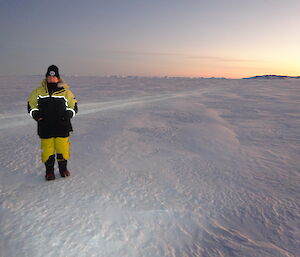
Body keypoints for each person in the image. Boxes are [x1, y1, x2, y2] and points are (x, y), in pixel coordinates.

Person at [27, 65, 78, 180]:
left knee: (63, 149)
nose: (51, 79)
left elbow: (74, 106)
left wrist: (68, 114)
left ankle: (63, 169)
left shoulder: (66, 92)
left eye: (54, 76)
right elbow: (31, 106)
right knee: (47, 150)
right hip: (45, 126)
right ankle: (49, 172)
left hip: (62, 126)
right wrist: (37, 116)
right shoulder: (38, 92)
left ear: (58, 78)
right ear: (46, 78)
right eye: (49, 77)